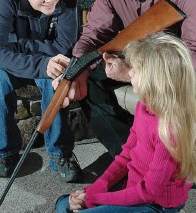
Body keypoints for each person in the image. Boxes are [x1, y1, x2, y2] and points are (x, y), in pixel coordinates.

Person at [56, 0, 196, 158]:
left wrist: (134, 73)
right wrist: (76, 68)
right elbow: (93, 34)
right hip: (142, 64)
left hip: (181, 74)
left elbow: (192, 59)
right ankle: (134, 160)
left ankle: (178, 164)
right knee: (88, 75)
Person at [55, 32, 196, 213]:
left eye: (135, 71)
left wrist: (94, 199)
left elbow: (148, 193)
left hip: (154, 204)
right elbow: (126, 155)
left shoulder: (169, 130)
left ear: (153, 81)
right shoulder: (143, 107)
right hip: (132, 188)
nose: (129, 73)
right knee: (63, 205)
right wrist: (96, 189)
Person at [0, 0, 84, 183]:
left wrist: (16, 46)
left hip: (35, 63)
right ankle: (6, 152)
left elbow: (65, 45)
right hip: (23, 66)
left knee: (55, 76)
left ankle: (60, 152)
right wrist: (41, 61)